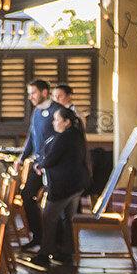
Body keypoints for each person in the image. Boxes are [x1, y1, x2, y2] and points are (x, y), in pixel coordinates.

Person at [33, 106, 90, 265]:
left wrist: (39, 165)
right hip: (76, 185)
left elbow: (51, 159)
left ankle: (45, 254)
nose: (53, 123)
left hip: (64, 186)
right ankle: (66, 252)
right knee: (68, 219)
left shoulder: (64, 137)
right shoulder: (76, 135)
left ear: (66, 122)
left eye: (57, 120)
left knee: (48, 217)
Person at [16, 79, 61, 250]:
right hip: (37, 164)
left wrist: (47, 162)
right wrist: (22, 158)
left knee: (53, 205)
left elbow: (59, 140)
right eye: (29, 93)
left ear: (44, 92)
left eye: (33, 93)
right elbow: (31, 137)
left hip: (52, 165)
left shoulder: (57, 111)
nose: (30, 97)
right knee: (27, 195)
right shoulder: (36, 112)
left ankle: (55, 244)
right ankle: (37, 236)